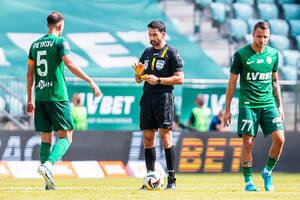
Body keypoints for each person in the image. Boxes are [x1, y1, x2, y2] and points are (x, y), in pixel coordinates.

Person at [26, 12, 101, 190]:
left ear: (48, 25)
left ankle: (47, 183)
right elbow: (70, 63)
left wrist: (30, 99)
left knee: (46, 138)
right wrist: (90, 80)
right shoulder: (60, 42)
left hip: (40, 97)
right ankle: (49, 165)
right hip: (57, 96)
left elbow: (30, 74)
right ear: (60, 26)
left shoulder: (34, 45)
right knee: (66, 136)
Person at [223, 21, 285, 192]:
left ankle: (267, 172)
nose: (262, 40)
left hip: (268, 103)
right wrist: (227, 109)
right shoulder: (241, 55)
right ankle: (248, 182)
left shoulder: (273, 54)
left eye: (265, 37)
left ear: (269, 36)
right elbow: (232, 83)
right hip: (248, 105)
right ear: (252, 35)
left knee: (280, 139)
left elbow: (275, 81)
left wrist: (280, 106)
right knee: (248, 142)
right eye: (259, 36)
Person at [132, 20, 184, 190]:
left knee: (165, 138)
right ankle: (150, 179)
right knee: (148, 139)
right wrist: (139, 75)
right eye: (149, 35)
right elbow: (139, 79)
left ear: (163, 34)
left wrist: (159, 80)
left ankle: (172, 180)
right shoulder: (146, 52)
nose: (151, 38)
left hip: (164, 98)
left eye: (155, 35)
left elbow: (180, 78)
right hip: (147, 98)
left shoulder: (172, 53)